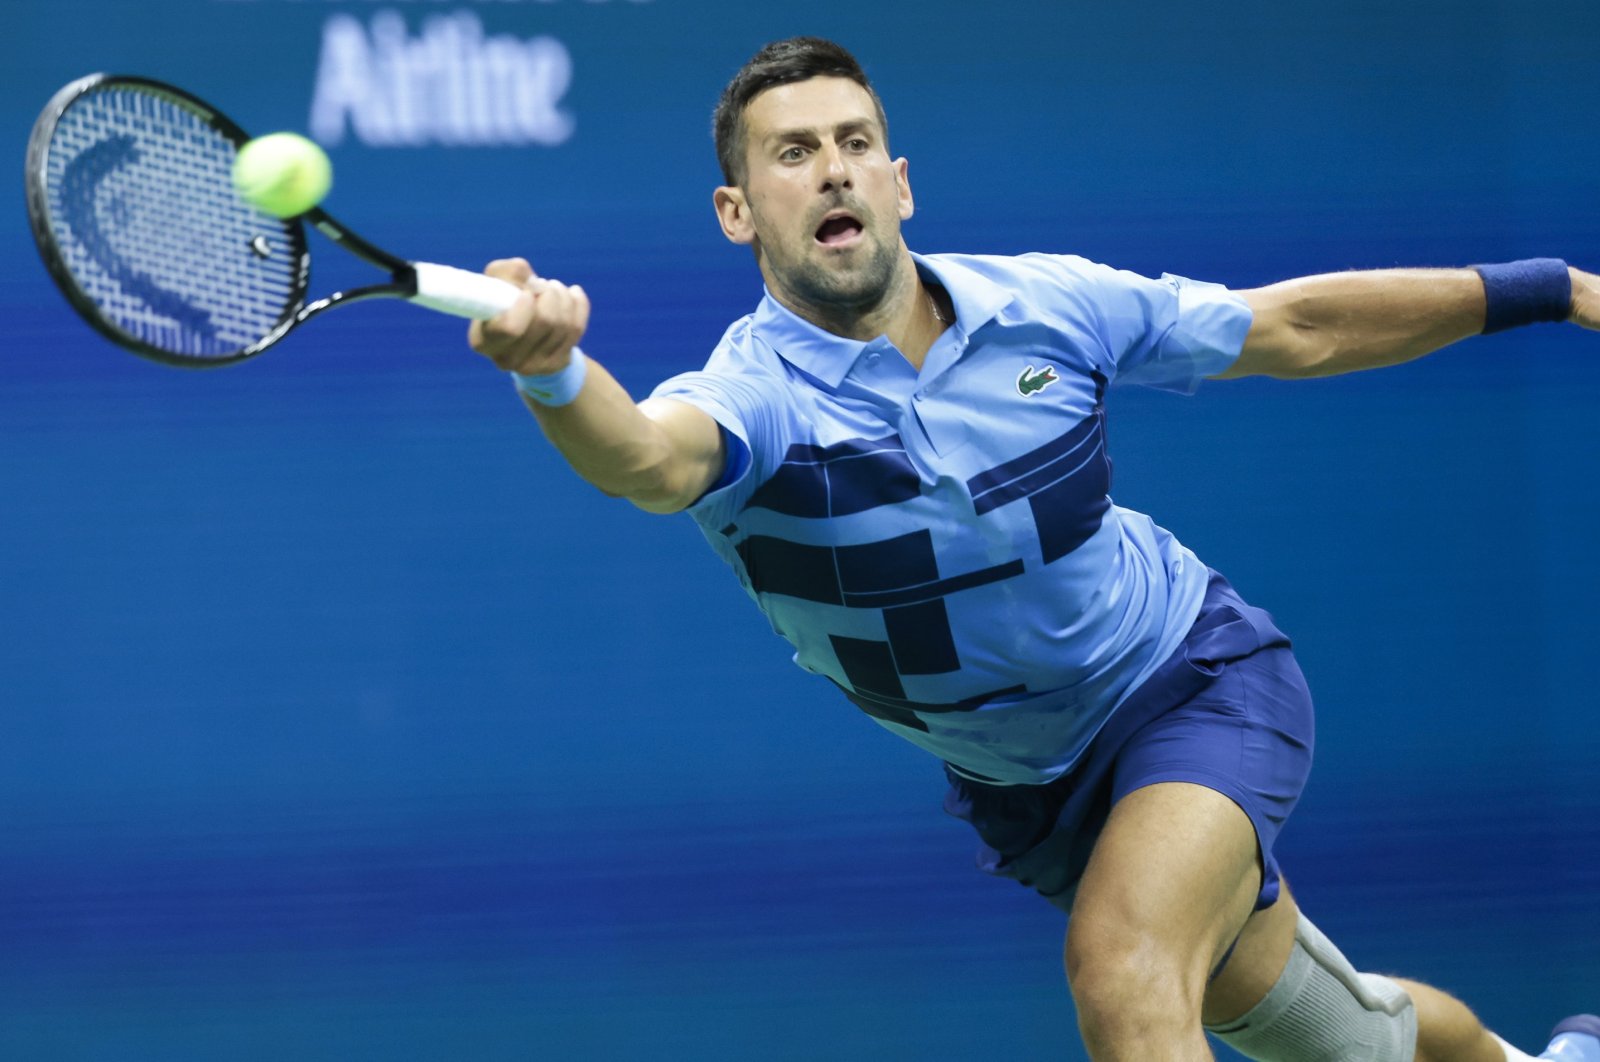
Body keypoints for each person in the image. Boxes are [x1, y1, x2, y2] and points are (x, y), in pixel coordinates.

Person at [468, 36, 1599, 1062]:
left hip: (1188, 683)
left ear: (898, 182)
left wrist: (1546, 289)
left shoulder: (1049, 305)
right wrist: (552, 373)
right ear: (736, 211)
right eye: (793, 152)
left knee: (1123, 973)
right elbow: (648, 460)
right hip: (1032, 790)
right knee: (1337, 1036)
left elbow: (1291, 326)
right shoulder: (750, 398)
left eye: (855, 142)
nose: (833, 170)